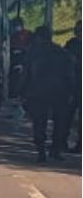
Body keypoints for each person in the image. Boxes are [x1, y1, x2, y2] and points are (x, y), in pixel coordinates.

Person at [23, 25, 73, 162]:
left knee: (39, 122)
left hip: (38, 92)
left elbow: (26, 75)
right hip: (60, 92)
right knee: (60, 122)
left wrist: (21, 93)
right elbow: (70, 75)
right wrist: (71, 92)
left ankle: (41, 150)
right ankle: (55, 149)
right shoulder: (61, 52)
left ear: (38, 37)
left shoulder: (33, 53)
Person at [66, 21, 81, 154]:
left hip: (74, 85)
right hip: (73, 85)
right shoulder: (72, 44)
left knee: (67, 116)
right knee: (67, 116)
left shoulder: (72, 45)